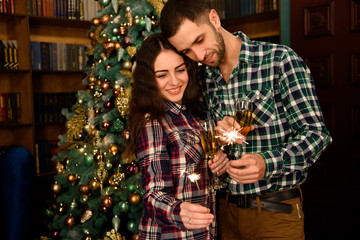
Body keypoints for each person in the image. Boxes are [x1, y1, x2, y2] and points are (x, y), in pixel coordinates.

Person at [160, 0, 333, 239]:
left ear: (214, 18)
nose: (199, 55)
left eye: (199, 40)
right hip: (222, 214)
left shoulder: (279, 61)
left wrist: (267, 163)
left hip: (275, 213)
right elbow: (202, 141)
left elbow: (317, 135)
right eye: (187, 51)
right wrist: (219, 148)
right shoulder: (200, 78)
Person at [125, 33, 229, 240]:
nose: (174, 81)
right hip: (172, 235)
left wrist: (220, 166)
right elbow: (153, 193)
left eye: (180, 70)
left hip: (205, 233)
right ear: (148, 79)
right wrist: (179, 211)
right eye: (162, 74)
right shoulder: (152, 122)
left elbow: (197, 176)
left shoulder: (193, 114)